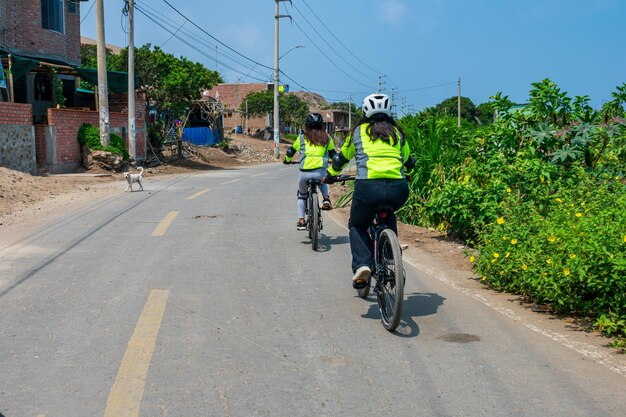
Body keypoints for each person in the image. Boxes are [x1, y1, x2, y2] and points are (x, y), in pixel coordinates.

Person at [326, 93, 415, 288]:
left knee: (357, 225)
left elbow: (341, 160)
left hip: (368, 188)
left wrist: (331, 174)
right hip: (398, 189)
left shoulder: (357, 132)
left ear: (365, 112)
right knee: (389, 211)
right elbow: (409, 162)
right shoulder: (397, 133)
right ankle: (391, 252)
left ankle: (362, 265)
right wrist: (407, 172)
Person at [284, 113, 336, 230]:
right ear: (322, 125)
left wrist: (286, 160)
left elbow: (290, 152)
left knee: (302, 195)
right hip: (320, 173)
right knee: (323, 179)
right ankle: (326, 198)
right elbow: (333, 155)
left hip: (304, 174)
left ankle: (301, 221)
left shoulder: (301, 138)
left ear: (307, 125)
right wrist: (331, 161)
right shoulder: (327, 138)